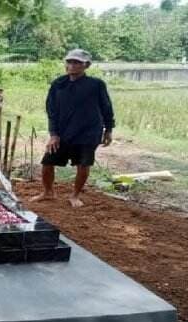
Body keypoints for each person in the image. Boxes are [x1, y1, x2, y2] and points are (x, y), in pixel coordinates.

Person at [31, 48, 115, 207]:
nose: (72, 65)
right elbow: (52, 110)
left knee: (83, 164)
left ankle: (75, 195)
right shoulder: (58, 84)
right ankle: (48, 192)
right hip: (63, 133)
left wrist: (109, 129)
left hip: (88, 132)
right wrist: (53, 134)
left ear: (86, 65)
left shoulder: (96, 85)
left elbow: (106, 107)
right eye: (69, 62)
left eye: (77, 62)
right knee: (47, 162)